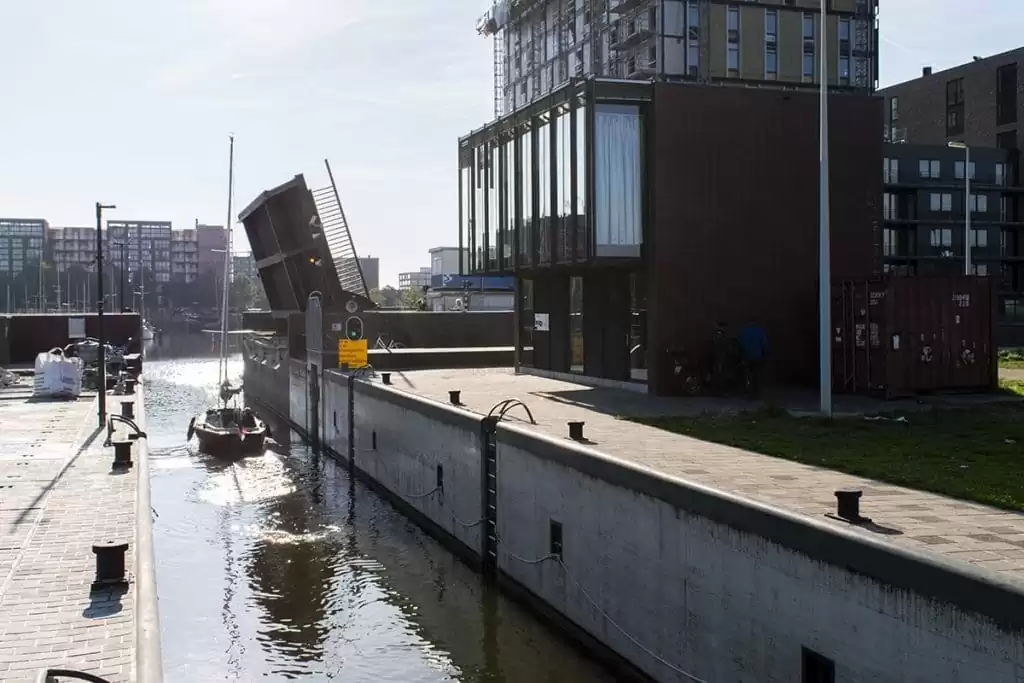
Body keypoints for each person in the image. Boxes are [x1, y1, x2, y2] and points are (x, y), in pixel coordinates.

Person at [739, 323, 769, 397]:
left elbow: (741, 344)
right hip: (758, 356)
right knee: (757, 375)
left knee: (748, 375)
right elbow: (764, 344)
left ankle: (749, 391)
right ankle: (756, 392)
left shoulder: (745, 331)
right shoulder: (760, 331)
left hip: (747, 356)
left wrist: (743, 355)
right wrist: (765, 355)